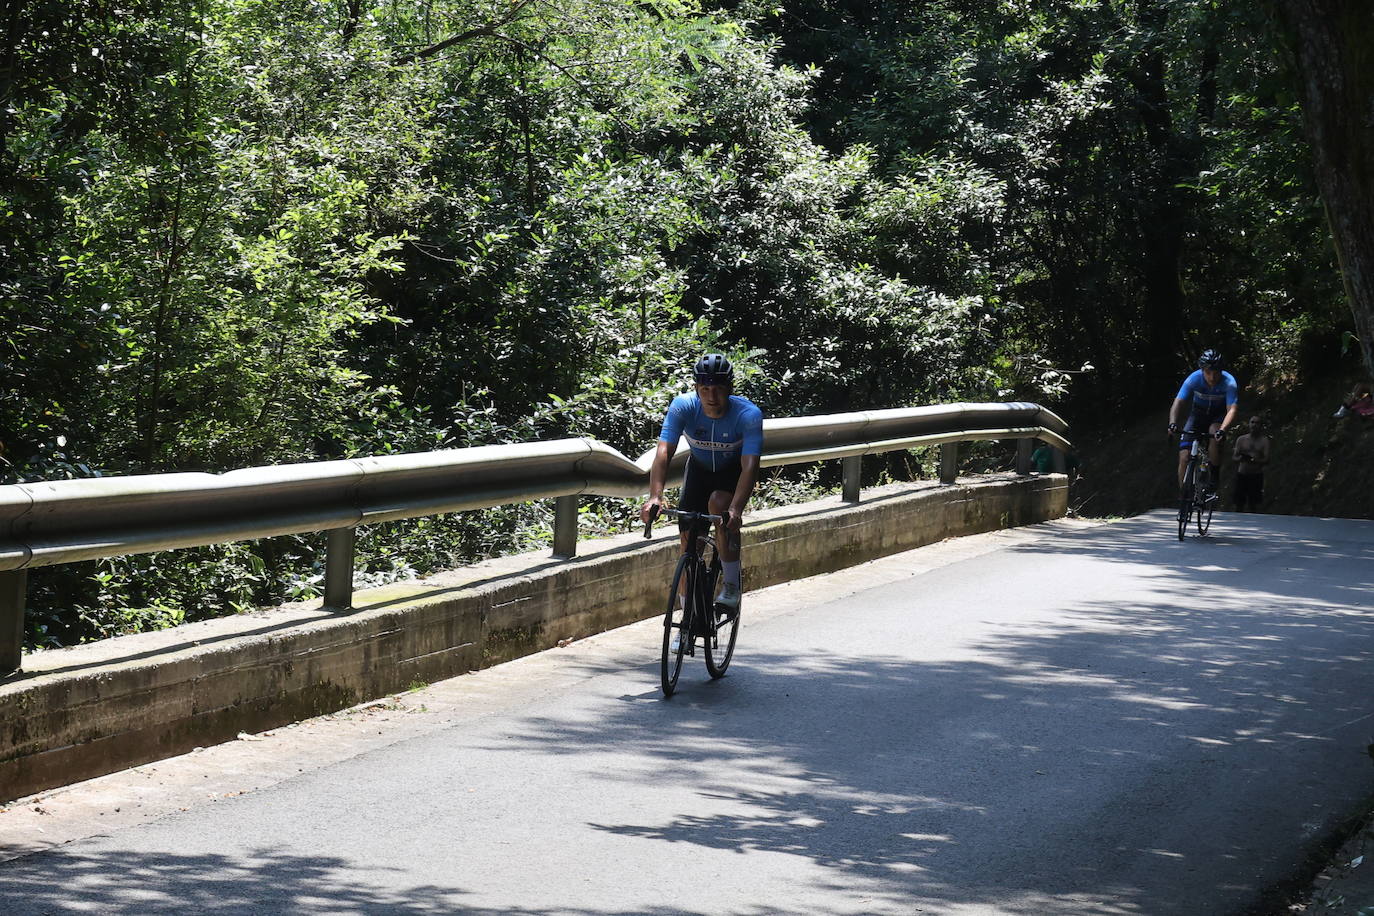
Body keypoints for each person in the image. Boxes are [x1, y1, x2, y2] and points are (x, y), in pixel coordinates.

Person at [640, 353, 763, 613]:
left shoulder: (748, 414)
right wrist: (655, 497)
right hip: (698, 472)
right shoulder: (683, 406)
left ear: (729, 388)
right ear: (696, 388)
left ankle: (731, 585)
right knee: (688, 545)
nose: (711, 396)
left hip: (732, 474)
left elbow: (750, 465)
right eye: (705, 388)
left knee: (720, 506)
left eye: (718, 388)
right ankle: (687, 621)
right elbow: (663, 452)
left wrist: (736, 509)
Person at [1168, 349, 1239, 498]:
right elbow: (1178, 402)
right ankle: (1184, 495)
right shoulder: (1194, 378)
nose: (1212, 377)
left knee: (1214, 432)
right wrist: (1172, 423)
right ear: (1202, 370)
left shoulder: (1229, 382)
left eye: (1216, 372)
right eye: (1208, 372)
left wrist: (1223, 430)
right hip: (1197, 415)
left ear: (1221, 370)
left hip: (1218, 416)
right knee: (1184, 457)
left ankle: (1214, 476)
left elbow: (1232, 409)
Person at [1231, 415, 1270, 512]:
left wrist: (1254, 460)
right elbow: (1234, 457)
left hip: (1256, 475)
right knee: (1239, 503)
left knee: (1254, 504)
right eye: (1252, 422)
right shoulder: (1241, 439)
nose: (1254, 425)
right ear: (1249, 424)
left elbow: (1267, 459)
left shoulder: (1264, 441)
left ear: (1261, 426)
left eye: (1257, 423)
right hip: (1242, 474)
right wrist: (1242, 458)